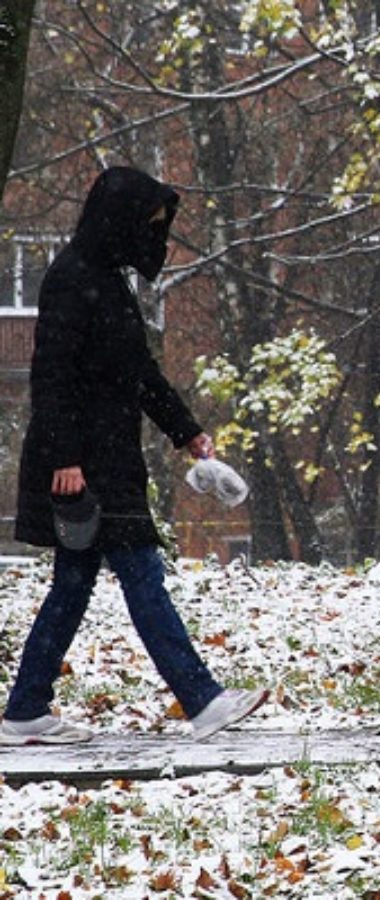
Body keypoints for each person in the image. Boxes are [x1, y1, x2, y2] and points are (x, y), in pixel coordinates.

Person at [0, 166, 268, 745]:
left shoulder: (108, 280)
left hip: (109, 460)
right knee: (143, 573)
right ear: (117, 220)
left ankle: (25, 709)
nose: (153, 238)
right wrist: (64, 459)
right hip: (84, 467)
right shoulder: (71, 278)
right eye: (145, 223)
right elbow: (52, 375)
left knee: (73, 585)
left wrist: (188, 433)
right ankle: (201, 698)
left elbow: (140, 373)